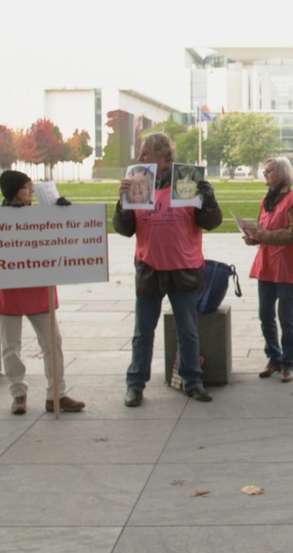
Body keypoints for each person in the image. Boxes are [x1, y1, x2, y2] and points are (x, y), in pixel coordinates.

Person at [114, 132, 221, 405]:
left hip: (183, 267)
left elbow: (210, 222)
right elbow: (124, 229)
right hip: (149, 267)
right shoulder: (139, 183)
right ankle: (135, 385)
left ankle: (192, 381)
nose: (139, 159)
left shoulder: (186, 180)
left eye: (145, 154)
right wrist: (122, 204)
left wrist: (207, 198)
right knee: (142, 332)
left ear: (161, 156)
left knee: (187, 330)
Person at [0, 170, 84, 415]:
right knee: (11, 346)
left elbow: (66, 240)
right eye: (26, 187)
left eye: (32, 187)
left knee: (53, 343)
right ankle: (18, 393)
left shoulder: (43, 214)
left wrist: (64, 213)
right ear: (12, 192)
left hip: (39, 287)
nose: (31, 191)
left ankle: (57, 394)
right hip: (10, 289)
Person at [244, 157, 293, 383]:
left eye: (269, 171)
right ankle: (273, 357)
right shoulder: (266, 200)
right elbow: (263, 228)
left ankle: (288, 363)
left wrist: (264, 236)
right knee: (265, 314)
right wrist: (253, 237)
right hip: (267, 264)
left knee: (286, 317)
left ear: (281, 173)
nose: (265, 174)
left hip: (287, 265)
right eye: (264, 171)